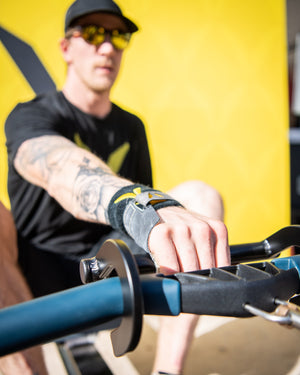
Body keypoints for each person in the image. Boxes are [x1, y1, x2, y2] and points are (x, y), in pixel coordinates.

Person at [5, 0, 230, 373]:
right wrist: (131, 200)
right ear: (66, 48)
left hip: (107, 264)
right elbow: (57, 166)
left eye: (118, 35)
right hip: (33, 276)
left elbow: (148, 220)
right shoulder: (32, 114)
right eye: (93, 33)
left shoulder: (132, 127)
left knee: (201, 196)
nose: (107, 47)